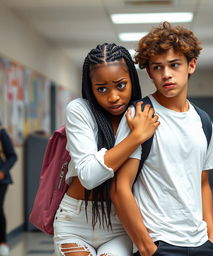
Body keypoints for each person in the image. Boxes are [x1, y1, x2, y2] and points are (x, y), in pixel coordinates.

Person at [110, 22, 213, 256]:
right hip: (159, 243)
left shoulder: (203, 120)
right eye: (157, 67)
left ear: (191, 65)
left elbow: (202, 182)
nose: (166, 74)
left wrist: (211, 235)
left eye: (174, 65)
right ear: (149, 71)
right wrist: (146, 246)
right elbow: (120, 188)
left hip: (200, 243)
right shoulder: (140, 115)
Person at [53, 43, 160, 256]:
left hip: (119, 223)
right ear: (90, 87)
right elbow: (89, 176)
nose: (112, 97)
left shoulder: (140, 115)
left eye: (120, 85)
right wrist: (137, 137)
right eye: (101, 89)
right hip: (74, 221)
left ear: (132, 80)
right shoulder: (79, 110)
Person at [0, 122, 17, 256]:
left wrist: (3, 171)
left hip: (1, 180)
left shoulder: (2, 133)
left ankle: (2, 242)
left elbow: (12, 155)